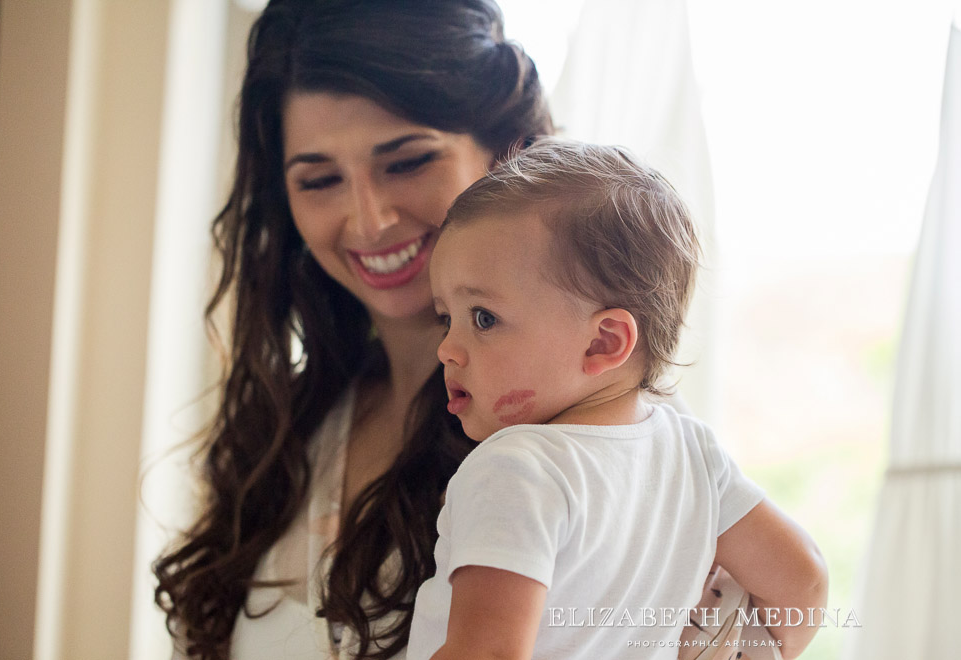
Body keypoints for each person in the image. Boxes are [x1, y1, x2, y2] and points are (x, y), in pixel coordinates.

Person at [152, 2, 776, 660]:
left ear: (509, 154)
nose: (368, 221)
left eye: (406, 162)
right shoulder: (288, 429)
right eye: (320, 180)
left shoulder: (621, 460)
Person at [406, 138, 828, 660]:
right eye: (446, 318)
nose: (447, 348)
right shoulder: (693, 454)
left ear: (604, 342)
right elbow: (803, 585)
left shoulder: (514, 469)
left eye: (484, 319)